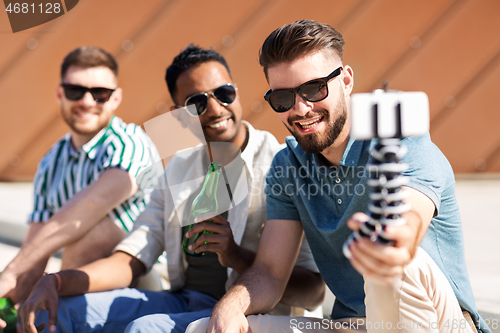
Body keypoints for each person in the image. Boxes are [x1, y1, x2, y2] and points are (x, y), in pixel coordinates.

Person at [187, 20, 490, 333]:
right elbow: (270, 272)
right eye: (283, 99)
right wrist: (230, 305)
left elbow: (409, 217)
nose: (301, 109)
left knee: (391, 258)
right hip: (350, 326)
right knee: (206, 327)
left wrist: (400, 237)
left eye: (314, 89)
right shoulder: (288, 165)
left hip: (438, 323)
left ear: (345, 80)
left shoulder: (396, 135)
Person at [19, 45, 324, 333]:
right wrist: (56, 281)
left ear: (236, 91)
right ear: (177, 112)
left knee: (145, 329)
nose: (216, 109)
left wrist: (235, 255)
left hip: (252, 315)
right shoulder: (179, 166)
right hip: (185, 299)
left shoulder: (279, 163)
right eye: (197, 103)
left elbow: (313, 293)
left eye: (224, 93)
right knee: (56, 311)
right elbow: (132, 257)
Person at [0, 46, 157, 329]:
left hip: (152, 278)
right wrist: (10, 299)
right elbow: (35, 250)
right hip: (77, 281)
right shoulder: (51, 160)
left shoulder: (129, 141)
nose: (87, 101)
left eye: (100, 93)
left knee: (91, 232)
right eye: (75, 91)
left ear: (116, 98)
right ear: (60, 94)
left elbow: (87, 209)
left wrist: (10, 272)